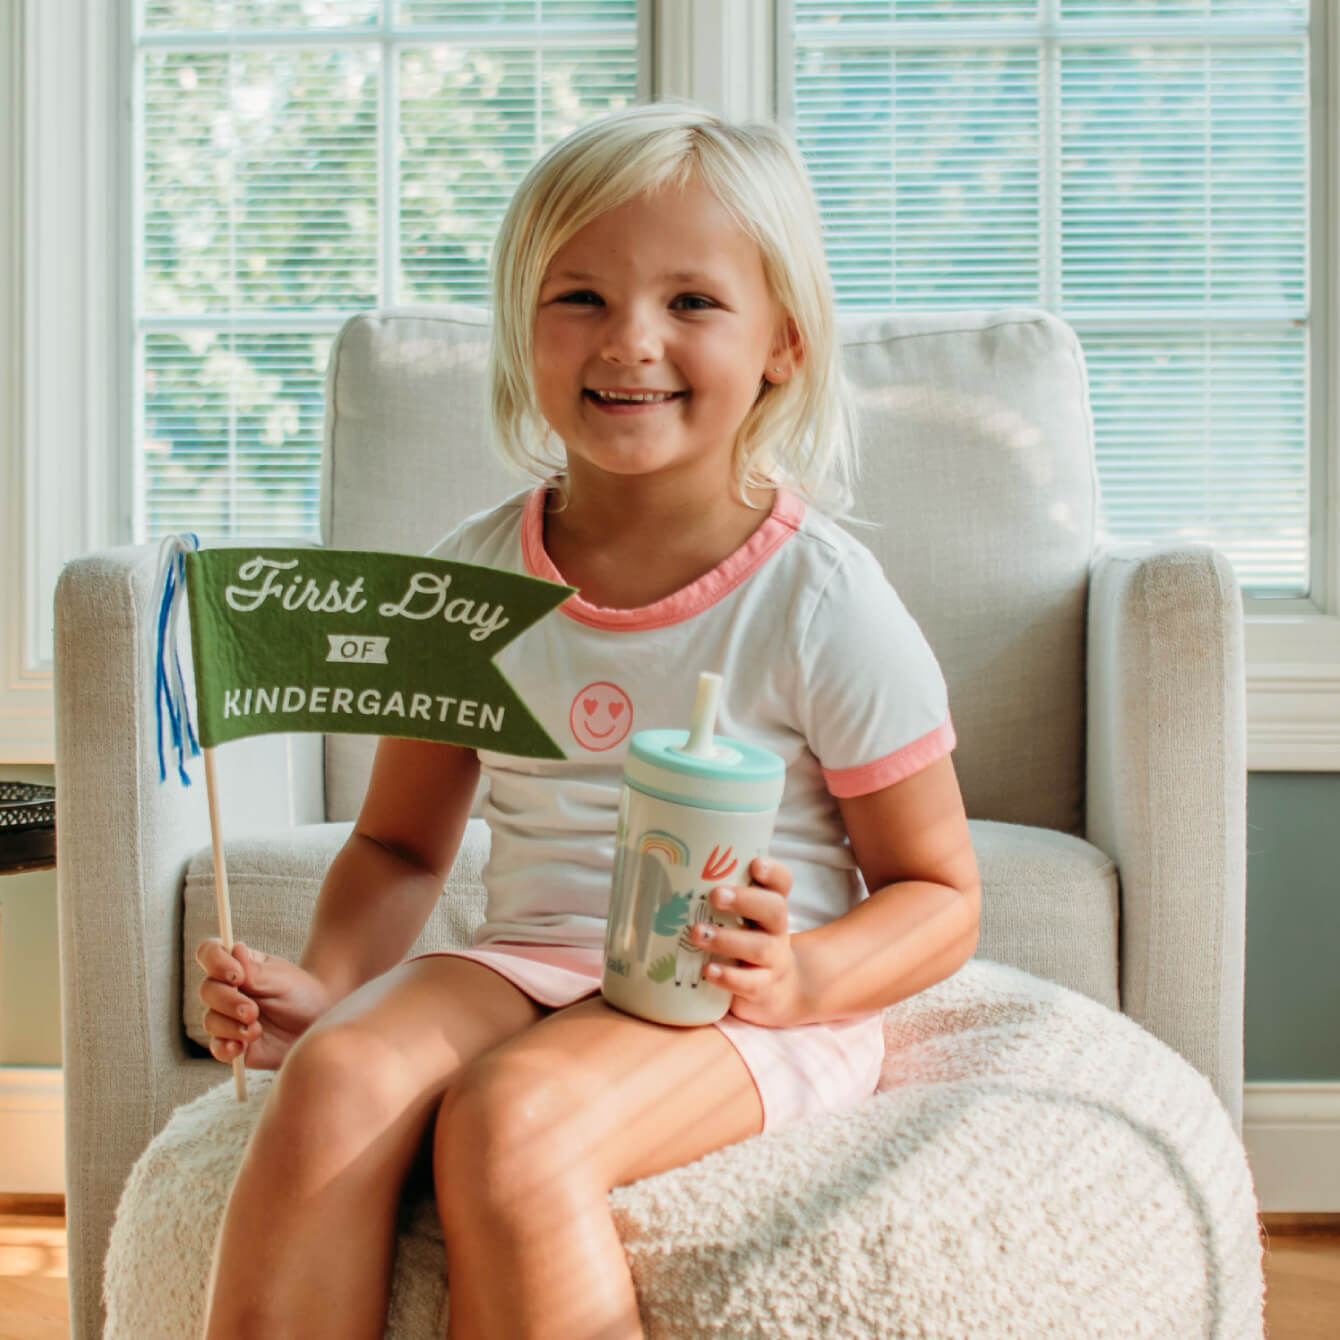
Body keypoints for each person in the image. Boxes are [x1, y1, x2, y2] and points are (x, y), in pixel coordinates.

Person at [195, 98, 981, 1340]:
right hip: (529, 956)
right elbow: (402, 845)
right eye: (579, 299)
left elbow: (939, 890)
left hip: (730, 999)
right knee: (338, 1076)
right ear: (521, 329)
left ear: (781, 340)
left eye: (691, 302)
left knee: (511, 1118)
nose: (629, 342)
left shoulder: (821, 598)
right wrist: (333, 986)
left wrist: (801, 974)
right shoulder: (471, 585)